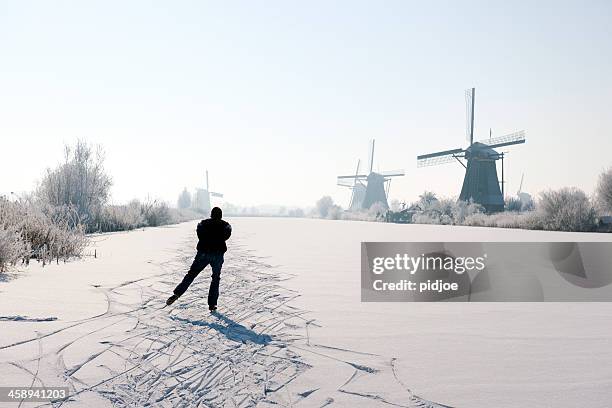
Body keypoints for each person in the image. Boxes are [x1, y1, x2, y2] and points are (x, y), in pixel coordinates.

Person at [166, 207, 232, 311]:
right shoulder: (225, 225)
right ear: (220, 215)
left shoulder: (203, 224)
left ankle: (177, 294)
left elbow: (199, 233)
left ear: (211, 214)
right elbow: (227, 235)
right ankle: (212, 304)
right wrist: (218, 239)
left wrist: (207, 239)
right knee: (215, 278)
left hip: (203, 253)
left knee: (191, 274)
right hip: (218, 255)